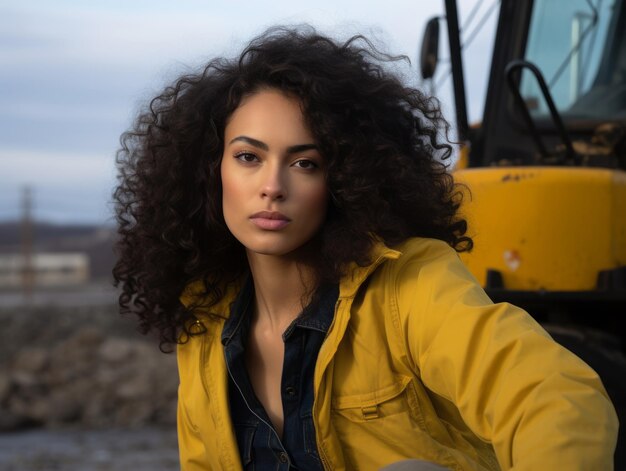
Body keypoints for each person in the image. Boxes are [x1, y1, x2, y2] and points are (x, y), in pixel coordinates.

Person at [112, 26, 618, 470]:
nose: (272, 186)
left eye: (305, 162)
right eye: (248, 157)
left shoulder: (411, 285)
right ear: (211, 170)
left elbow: (557, 396)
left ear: (345, 178)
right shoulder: (204, 321)